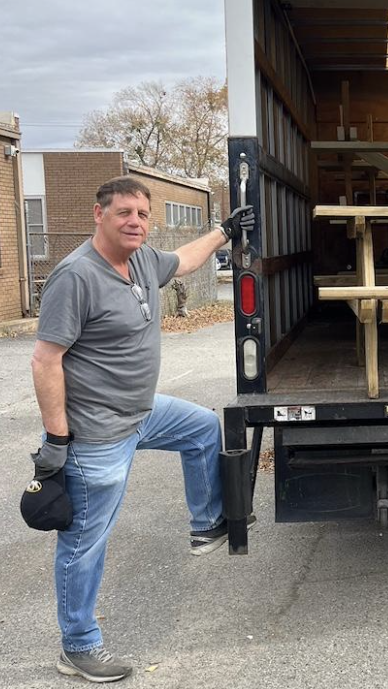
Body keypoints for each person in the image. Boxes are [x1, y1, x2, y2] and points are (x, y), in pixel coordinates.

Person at [29, 176, 255, 683]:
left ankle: (206, 525)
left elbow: (187, 259)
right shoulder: (75, 276)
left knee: (200, 427)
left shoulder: (143, 260)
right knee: (85, 541)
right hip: (97, 431)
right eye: (124, 213)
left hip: (141, 412)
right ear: (98, 214)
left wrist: (223, 231)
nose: (135, 221)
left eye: (142, 214)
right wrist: (58, 440)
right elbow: (45, 361)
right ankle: (78, 646)